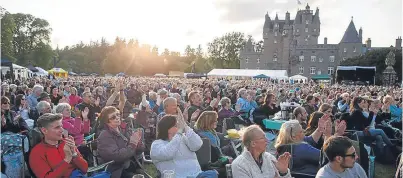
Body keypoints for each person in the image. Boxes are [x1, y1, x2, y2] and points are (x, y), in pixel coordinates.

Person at [150, 115, 217, 178]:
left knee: (213, 174)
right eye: (176, 125)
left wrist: (186, 127)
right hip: (178, 176)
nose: (179, 127)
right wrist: (179, 133)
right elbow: (168, 153)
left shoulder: (183, 138)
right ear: (167, 128)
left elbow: (198, 144)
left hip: (197, 175)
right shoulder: (156, 145)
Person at [29, 113, 88, 177]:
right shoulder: (36, 153)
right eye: (57, 127)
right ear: (44, 130)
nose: (62, 130)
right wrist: (67, 160)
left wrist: (74, 154)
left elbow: (85, 169)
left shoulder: (66, 142)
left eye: (61, 126)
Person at [96, 106, 143, 178]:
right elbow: (116, 157)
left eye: (118, 114)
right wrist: (133, 144)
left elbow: (141, 150)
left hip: (132, 165)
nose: (117, 117)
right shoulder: (104, 136)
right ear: (106, 121)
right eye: (113, 117)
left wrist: (138, 143)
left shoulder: (124, 128)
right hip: (117, 171)